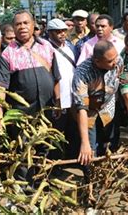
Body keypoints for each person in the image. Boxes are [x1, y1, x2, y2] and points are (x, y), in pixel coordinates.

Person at [0, 10, 60, 181]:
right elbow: (0, 86)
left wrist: (58, 103)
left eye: (25, 23)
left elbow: (56, 77)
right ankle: (23, 190)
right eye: (18, 24)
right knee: (23, 151)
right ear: (13, 29)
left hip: (46, 111)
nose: (22, 27)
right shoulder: (8, 53)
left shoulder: (47, 46)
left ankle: (41, 185)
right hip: (22, 114)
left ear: (33, 24)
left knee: (44, 147)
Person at [73, 40, 128, 165]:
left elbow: (127, 92)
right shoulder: (82, 73)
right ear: (97, 61)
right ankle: (91, 181)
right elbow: (82, 108)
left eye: (115, 57)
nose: (114, 63)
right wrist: (84, 143)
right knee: (90, 151)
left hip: (108, 109)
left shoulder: (118, 62)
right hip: (88, 114)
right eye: (109, 61)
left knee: (109, 146)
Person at [46, 18, 79, 158]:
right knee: (56, 133)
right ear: (50, 33)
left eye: (63, 31)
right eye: (57, 31)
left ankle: (73, 158)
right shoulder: (46, 49)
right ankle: (56, 162)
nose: (62, 34)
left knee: (73, 130)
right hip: (57, 97)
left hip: (73, 96)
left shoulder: (71, 47)